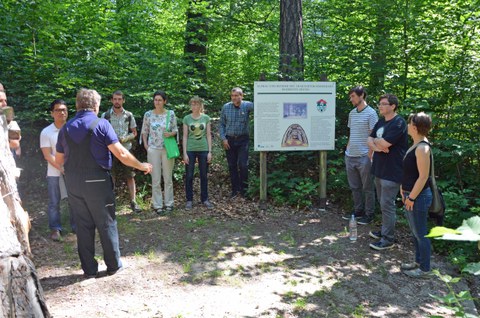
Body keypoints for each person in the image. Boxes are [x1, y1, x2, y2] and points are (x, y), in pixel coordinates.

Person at [56, 88, 152, 278]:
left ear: (77, 105)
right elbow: (122, 154)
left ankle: (89, 270)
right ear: (96, 105)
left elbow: (59, 161)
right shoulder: (102, 124)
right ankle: (113, 265)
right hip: (98, 180)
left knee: (82, 225)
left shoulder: (65, 128)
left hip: (73, 181)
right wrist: (141, 166)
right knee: (106, 221)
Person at [367, 94, 408, 251]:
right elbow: (369, 140)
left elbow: (383, 142)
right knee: (382, 203)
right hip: (379, 168)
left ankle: (388, 239)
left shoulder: (399, 123)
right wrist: (379, 146)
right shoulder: (381, 121)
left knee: (387, 204)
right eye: (379, 104)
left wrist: (378, 143)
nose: (380, 106)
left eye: (384, 104)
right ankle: (385, 231)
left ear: (393, 106)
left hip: (393, 170)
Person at [400, 112, 433, 278]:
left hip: (418, 197)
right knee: (415, 232)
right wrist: (402, 189)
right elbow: (410, 171)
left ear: (414, 127)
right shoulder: (416, 144)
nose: (407, 126)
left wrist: (411, 197)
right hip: (410, 195)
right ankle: (418, 262)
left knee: (421, 233)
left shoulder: (423, 148)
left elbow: (423, 176)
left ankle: (425, 269)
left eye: (409, 123)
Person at [40, 99, 75, 241]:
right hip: (54, 172)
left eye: (64, 110)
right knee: (54, 201)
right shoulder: (46, 132)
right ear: (51, 113)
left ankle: (77, 226)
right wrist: (61, 168)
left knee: (74, 200)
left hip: (72, 171)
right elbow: (47, 155)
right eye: (58, 110)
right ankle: (55, 229)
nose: (62, 112)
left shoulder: (73, 129)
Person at [343, 86, 378, 224]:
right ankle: (358, 211)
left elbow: (373, 136)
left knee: (368, 187)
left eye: (353, 96)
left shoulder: (371, 113)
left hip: (364, 156)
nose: (351, 99)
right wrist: (347, 150)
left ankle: (369, 214)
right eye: (350, 96)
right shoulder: (352, 113)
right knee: (354, 186)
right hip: (350, 155)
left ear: (361, 95)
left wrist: (370, 155)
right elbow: (351, 134)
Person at [101, 90, 141, 213]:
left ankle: (133, 202)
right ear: (112, 100)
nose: (117, 101)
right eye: (115, 99)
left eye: (119, 99)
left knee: (130, 176)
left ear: (123, 100)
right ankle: (110, 203)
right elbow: (101, 133)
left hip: (126, 149)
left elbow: (134, 132)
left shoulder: (128, 115)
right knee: (110, 176)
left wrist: (125, 138)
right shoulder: (105, 116)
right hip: (110, 150)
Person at [141, 90, 178, 215]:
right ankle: (157, 205)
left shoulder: (171, 114)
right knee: (155, 178)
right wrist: (146, 146)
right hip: (153, 149)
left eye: (160, 100)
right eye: (155, 100)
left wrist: (171, 133)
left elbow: (175, 130)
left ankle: (169, 203)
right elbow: (144, 131)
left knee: (168, 178)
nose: (157, 102)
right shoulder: (148, 114)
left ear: (164, 101)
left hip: (167, 148)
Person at [219, 87, 254, 198]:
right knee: (232, 165)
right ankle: (235, 190)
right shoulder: (226, 107)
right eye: (232, 96)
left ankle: (244, 191)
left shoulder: (247, 105)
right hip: (229, 140)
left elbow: (261, 107)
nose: (234, 98)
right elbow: (222, 124)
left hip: (243, 139)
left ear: (241, 96)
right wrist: (223, 138)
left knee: (243, 165)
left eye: (236, 95)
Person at [182, 96, 213, 210]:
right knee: (189, 175)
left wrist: (210, 151)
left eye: (196, 104)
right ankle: (189, 200)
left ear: (200, 105)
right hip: (190, 149)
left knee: (204, 175)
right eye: (192, 104)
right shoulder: (186, 118)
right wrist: (184, 153)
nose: (194, 106)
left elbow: (209, 135)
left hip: (203, 149)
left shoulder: (206, 118)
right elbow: (185, 136)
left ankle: (204, 199)